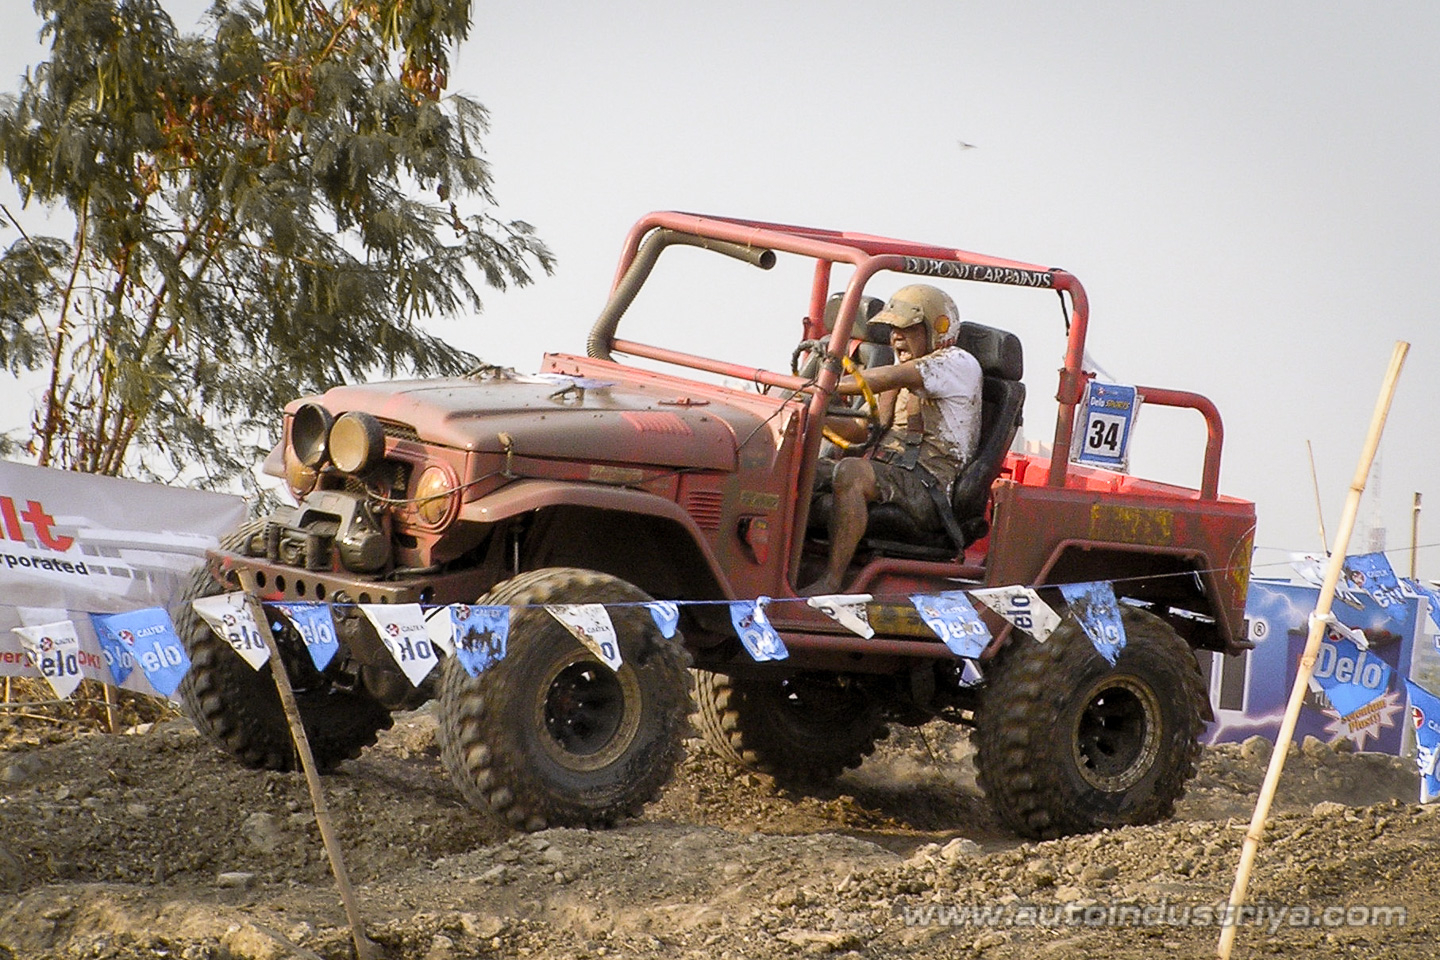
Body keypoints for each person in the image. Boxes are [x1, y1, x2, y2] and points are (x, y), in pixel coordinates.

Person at [802, 284, 983, 596]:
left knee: (850, 472)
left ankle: (832, 584)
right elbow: (866, 428)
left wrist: (822, 385)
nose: (896, 337)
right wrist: (808, 420)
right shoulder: (904, 369)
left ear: (936, 329)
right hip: (892, 473)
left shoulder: (956, 363)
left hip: (929, 486)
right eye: (892, 330)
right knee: (798, 467)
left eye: (907, 329)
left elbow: (883, 379)